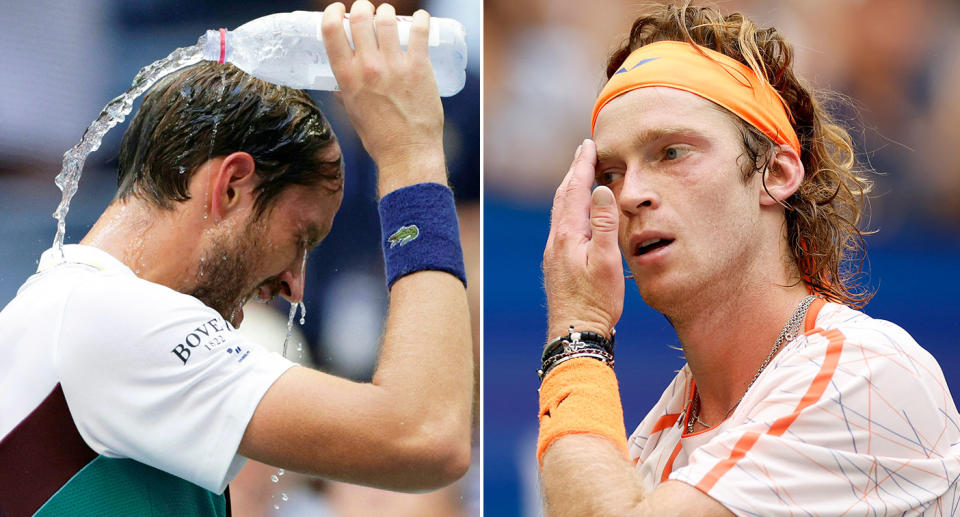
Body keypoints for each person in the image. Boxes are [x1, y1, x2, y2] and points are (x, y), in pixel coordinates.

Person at [0, 1, 473, 516]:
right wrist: (413, 155)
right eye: (301, 237)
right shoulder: (110, 317)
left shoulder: (82, 311)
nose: (295, 284)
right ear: (230, 186)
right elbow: (426, 435)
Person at [538, 2, 960, 515]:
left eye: (672, 152)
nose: (629, 195)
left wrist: (578, 329)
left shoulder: (866, 372)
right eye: (609, 174)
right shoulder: (660, 435)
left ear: (777, 173)